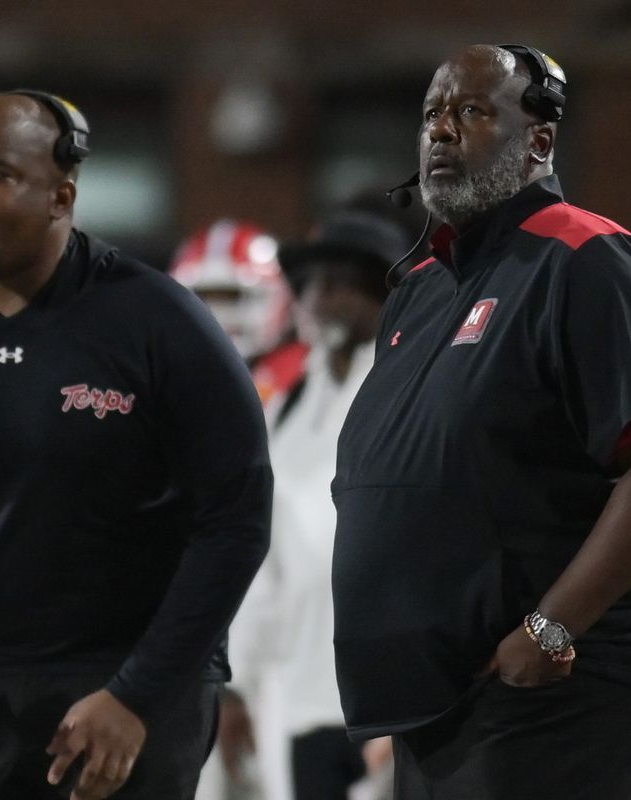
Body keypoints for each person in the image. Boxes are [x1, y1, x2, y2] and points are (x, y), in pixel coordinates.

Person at [0, 90, 272, 800]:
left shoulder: (159, 320)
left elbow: (236, 518)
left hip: (127, 683)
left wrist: (141, 693)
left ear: (62, 196)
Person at [331, 44, 631, 800]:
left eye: (470, 112)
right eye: (433, 114)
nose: (441, 131)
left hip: (560, 687)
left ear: (539, 140)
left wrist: (552, 626)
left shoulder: (589, 259)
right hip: (446, 699)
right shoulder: (421, 285)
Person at [223, 208, 407, 800]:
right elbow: (262, 562)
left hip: (387, 702)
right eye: (308, 285)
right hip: (298, 695)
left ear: (381, 293)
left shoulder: (411, 394)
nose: (315, 298)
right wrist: (236, 687)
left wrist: (409, 702)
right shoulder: (290, 405)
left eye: (337, 283)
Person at [170, 220, 309, 412]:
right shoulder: (163, 373)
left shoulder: (307, 373)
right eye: (203, 297)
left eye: (233, 296)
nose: (218, 313)